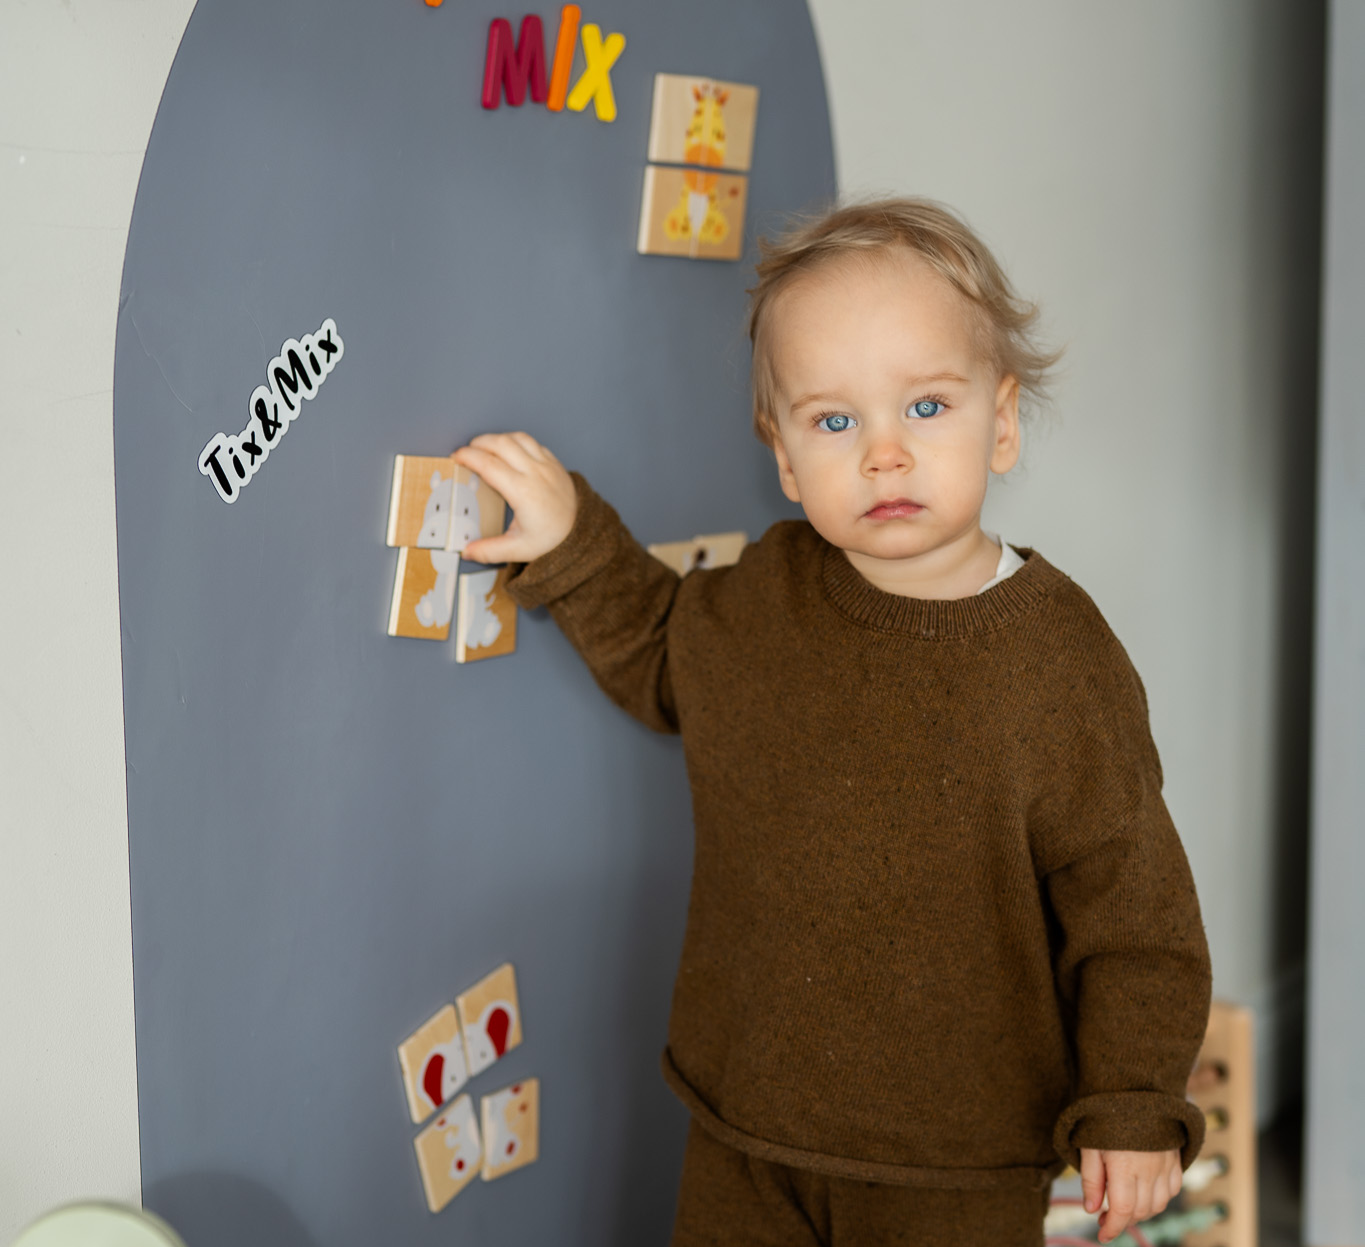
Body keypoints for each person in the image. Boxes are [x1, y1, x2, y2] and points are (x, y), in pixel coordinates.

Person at [453, 199, 1212, 1247]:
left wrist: (1133, 1098)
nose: (885, 455)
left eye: (928, 408)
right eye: (835, 420)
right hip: (746, 1123)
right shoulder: (771, 592)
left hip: (958, 1156)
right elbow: (668, 650)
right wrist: (574, 538)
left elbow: (1135, 912)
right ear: (783, 454)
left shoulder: (1059, 660)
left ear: (1002, 420)